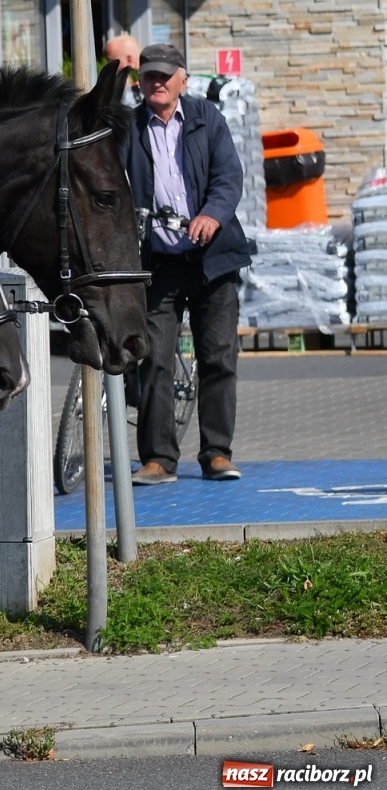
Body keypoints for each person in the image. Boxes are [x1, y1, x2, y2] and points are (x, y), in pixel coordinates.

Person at [121, 43, 252, 485]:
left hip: (212, 262)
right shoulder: (127, 128)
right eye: (148, 76)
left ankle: (217, 453)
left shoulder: (206, 118)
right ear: (139, 82)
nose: (156, 83)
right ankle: (158, 459)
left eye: (164, 76)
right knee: (154, 359)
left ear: (183, 79)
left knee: (218, 357)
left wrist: (212, 214)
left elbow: (229, 177)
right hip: (158, 263)